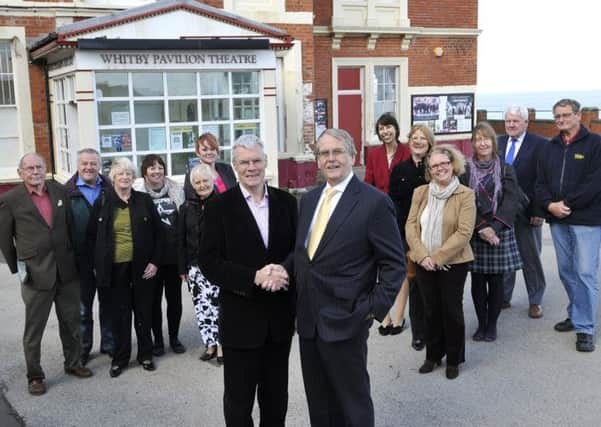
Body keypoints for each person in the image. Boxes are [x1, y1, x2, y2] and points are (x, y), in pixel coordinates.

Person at [286, 128, 405, 426]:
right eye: (324, 153)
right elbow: (305, 254)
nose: (331, 158)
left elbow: (394, 265)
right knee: (319, 403)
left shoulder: (374, 202)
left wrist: (370, 311)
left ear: (353, 156)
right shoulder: (310, 200)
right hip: (310, 321)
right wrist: (279, 270)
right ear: (318, 161)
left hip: (347, 320)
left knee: (352, 404)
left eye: (337, 151)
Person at [199, 135, 297, 426]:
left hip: (279, 321)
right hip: (241, 321)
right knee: (239, 404)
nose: (251, 167)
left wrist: (283, 270)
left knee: (276, 400)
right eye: (245, 162)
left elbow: (299, 251)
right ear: (234, 166)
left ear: (266, 163)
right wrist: (253, 277)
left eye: (256, 160)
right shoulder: (219, 207)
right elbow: (209, 262)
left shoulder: (287, 202)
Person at [0, 153, 93, 396]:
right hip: (35, 273)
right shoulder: (10, 199)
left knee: (72, 322)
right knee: (34, 329)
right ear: (21, 173)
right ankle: (35, 376)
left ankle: (73, 363)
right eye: (29, 168)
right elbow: (5, 239)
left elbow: (70, 227)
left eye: (38, 167)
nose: (35, 172)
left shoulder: (59, 191)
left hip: (66, 271)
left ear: (45, 169)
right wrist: (18, 267)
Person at [88, 158, 164, 377]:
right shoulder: (103, 202)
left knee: (143, 313)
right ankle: (120, 358)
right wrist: (96, 266)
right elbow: (91, 237)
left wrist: (155, 262)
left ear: (133, 177)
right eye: (120, 174)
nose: (125, 177)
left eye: (128, 174)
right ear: (113, 177)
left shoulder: (143, 200)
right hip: (114, 270)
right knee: (120, 316)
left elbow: (159, 234)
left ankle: (146, 355)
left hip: (142, 268)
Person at [536, 98, 601, 352]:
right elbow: (539, 183)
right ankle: (576, 313)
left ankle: (585, 327)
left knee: (585, 272)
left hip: (586, 219)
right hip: (557, 218)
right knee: (566, 271)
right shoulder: (549, 147)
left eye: (565, 115)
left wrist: (566, 203)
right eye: (557, 116)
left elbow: (595, 183)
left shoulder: (596, 144)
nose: (561, 120)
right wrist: (549, 205)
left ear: (578, 115)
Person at [405, 144, 475, 379]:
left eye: (444, 163)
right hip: (423, 260)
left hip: (453, 262)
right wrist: (423, 255)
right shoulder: (420, 192)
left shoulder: (465, 194)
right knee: (431, 310)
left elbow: (464, 233)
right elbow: (411, 226)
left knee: (451, 310)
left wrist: (436, 258)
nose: (439, 168)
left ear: (452, 164)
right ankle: (433, 356)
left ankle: (454, 359)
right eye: (434, 165)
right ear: (429, 170)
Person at [463, 122, 522, 343]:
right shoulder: (466, 169)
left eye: (486, 138)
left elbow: (511, 200)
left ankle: (492, 325)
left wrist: (494, 228)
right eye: (478, 139)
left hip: (500, 230)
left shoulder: (506, 168)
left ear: (493, 142)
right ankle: (481, 323)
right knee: (477, 282)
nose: (483, 142)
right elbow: (464, 201)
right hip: (476, 230)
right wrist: (481, 228)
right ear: (473, 144)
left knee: (496, 282)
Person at [65, 148, 114, 366]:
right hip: (80, 260)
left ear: (99, 166)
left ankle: (109, 343)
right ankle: (84, 348)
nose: (88, 167)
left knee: (108, 304)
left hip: (107, 258)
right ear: (78, 165)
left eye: (93, 163)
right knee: (83, 309)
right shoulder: (66, 192)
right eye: (84, 163)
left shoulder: (110, 188)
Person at [498, 105, 548, 318]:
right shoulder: (498, 142)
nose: (511, 124)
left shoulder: (540, 145)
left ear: (526, 123)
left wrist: (539, 211)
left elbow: (543, 180)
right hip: (502, 211)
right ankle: (504, 297)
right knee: (505, 257)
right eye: (508, 120)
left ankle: (535, 300)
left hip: (528, 211)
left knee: (530, 258)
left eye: (516, 121)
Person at [135, 154, 186, 356]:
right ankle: (158, 340)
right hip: (151, 260)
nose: (157, 171)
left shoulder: (176, 190)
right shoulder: (138, 193)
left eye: (160, 167)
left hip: (173, 257)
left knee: (175, 301)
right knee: (153, 302)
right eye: (152, 168)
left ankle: (174, 337)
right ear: (145, 172)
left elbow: (183, 223)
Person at [388, 124, 434, 350]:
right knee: (415, 284)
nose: (418, 142)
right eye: (414, 138)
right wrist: (402, 237)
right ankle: (418, 334)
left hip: (435, 234)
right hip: (410, 235)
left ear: (429, 142)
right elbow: (395, 205)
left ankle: (436, 329)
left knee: (435, 285)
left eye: (422, 138)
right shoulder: (399, 170)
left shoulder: (436, 167)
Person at [178, 163, 223, 364]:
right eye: (197, 182)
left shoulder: (225, 204)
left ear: (212, 180)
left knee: (220, 307)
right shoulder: (186, 207)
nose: (202, 185)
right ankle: (210, 345)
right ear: (192, 185)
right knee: (202, 307)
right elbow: (179, 240)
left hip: (219, 265)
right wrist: (183, 268)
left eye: (205, 180)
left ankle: (222, 346)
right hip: (195, 268)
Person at [364, 112, 410, 194]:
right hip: (380, 202)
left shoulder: (408, 152)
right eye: (381, 129)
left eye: (388, 127)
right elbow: (368, 183)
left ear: (396, 129)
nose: (385, 131)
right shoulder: (373, 154)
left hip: (402, 203)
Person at [183, 132, 236, 200]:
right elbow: (191, 201)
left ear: (217, 151)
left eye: (212, 149)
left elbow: (235, 192)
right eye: (204, 150)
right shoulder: (192, 174)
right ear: (198, 152)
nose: (209, 152)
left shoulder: (227, 169)